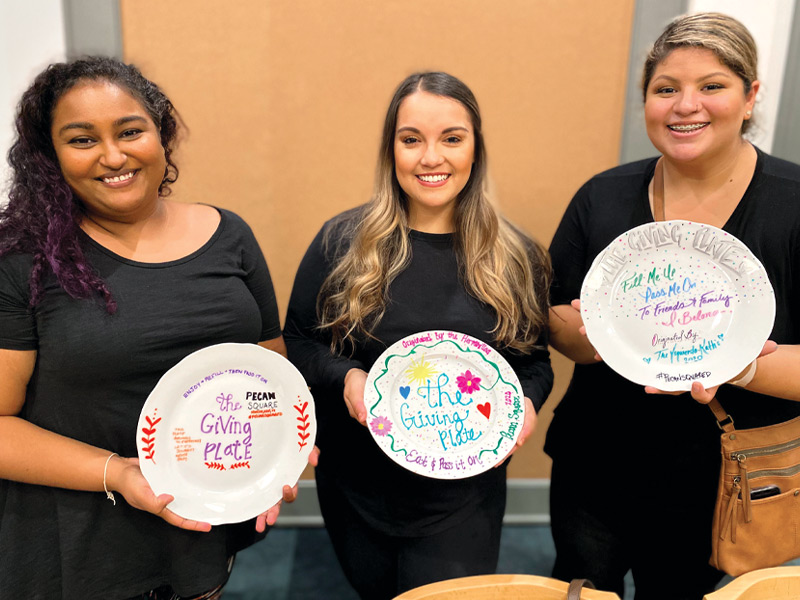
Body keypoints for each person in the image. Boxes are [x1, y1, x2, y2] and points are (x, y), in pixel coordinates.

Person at [0, 57, 302, 600]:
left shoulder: (230, 235)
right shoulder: (25, 261)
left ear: (160, 132)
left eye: (130, 131)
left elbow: (271, 377)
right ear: (51, 157)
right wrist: (119, 474)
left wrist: (283, 448)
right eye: (81, 139)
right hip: (75, 551)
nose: (113, 156)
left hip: (199, 533)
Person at [547, 12, 800, 600]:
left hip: (721, 485)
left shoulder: (791, 207)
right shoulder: (603, 196)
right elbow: (556, 313)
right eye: (666, 89)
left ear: (750, 95)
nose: (686, 105)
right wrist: (589, 337)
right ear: (648, 101)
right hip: (596, 466)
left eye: (712, 86)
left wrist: (739, 364)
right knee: (582, 590)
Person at [283, 71, 553, 599]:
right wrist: (346, 376)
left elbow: (535, 361)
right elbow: (299, 339)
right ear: (392, 151)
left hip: (464, 496)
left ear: (476, 150)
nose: (432, 158)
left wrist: (526, 401)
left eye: (452, 138)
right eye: (412, 140)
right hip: (356, 485)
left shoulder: (516, 256)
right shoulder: (342, 241)